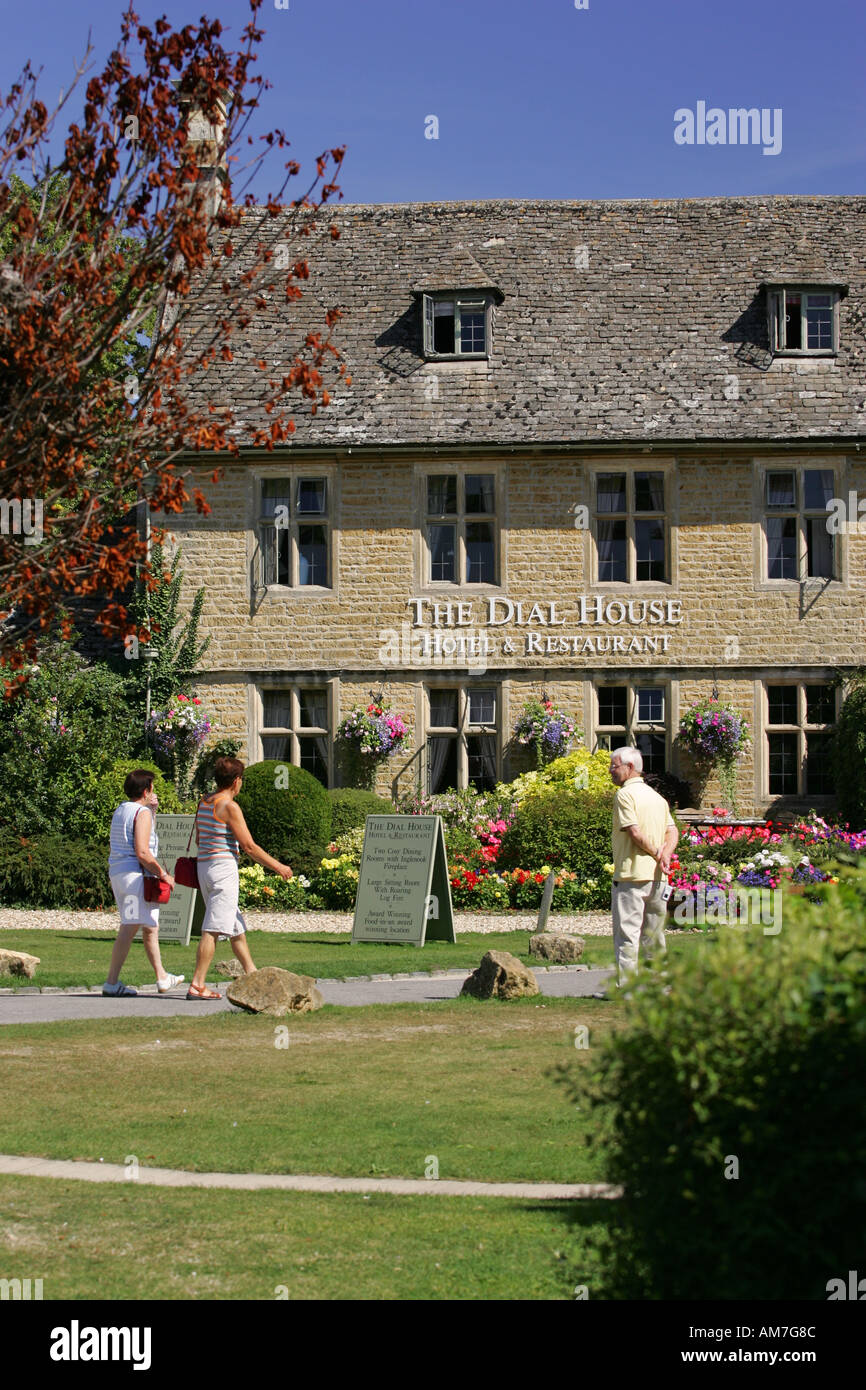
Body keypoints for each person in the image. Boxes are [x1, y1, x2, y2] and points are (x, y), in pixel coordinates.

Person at [186, 756, 294, 1000]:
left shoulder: (204, 801)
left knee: (234, 926)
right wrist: (278, 867)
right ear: (236, 781)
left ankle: (251, 973)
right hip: (223, 869)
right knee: (212, 929)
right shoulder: (229, 806)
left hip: (205, 867)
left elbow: (201, 839)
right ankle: (197, 984)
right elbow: (249, 846)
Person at [104, 769, 184, 997]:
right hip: (134, 877)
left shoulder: (123, 809)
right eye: (152, 788)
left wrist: (153, 811)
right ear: (146, 790)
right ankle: (111, 982)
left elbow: (141, 837)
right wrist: (163, 874)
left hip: (121, 874)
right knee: (129, 926)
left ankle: (161, 977)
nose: (154, 792)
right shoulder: (141, 812)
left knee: (149, 925)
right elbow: (142, 851)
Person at [607, 746, 678, 986]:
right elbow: (673, 830)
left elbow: (634, 832)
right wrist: (665, 855)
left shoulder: (624, 795)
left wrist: (660, 852)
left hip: (631, 876)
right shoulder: (657, 797)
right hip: (658, 877)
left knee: (627, 935)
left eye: (614, 766)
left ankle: (626, 988)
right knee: (654, 936)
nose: (610, 771)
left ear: (629, 768)